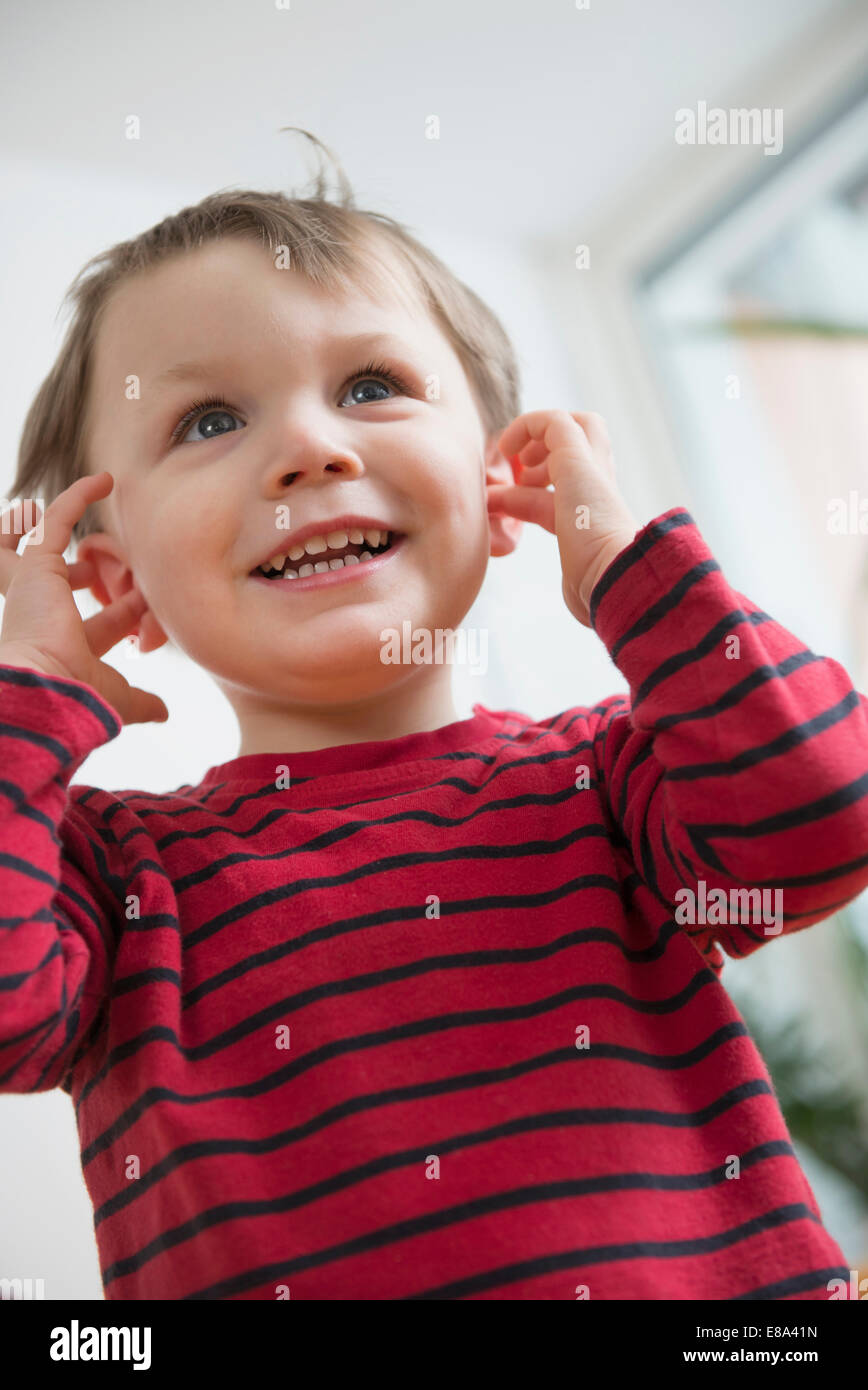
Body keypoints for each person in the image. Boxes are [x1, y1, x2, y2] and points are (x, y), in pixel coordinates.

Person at [1, 130, 866, 1300]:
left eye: (371, 388)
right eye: (208, 420)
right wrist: (28, 690)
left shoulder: (609, 779)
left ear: (507, 486)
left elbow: (820, 818)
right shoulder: (106, 873)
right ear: (114, 582)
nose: (310, 448)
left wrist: (626, 561)